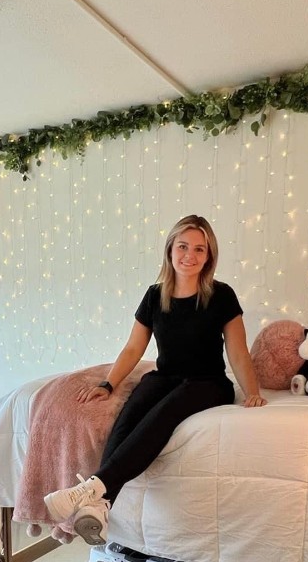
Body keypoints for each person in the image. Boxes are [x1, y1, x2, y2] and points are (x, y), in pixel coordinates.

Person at [44, 214, 266, 544]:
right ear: (170, 250)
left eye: (199, 249)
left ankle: (91, 488)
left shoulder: (221, 295)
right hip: (165, 377)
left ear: (209, 256)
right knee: (127, 420)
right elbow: (134, 347)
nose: (189, 255)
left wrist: (252, 392)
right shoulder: (154, 295)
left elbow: (237, 351)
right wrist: (108, 384)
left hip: (207, 382)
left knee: (164, 415)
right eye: (183, 246)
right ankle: (100, 507)